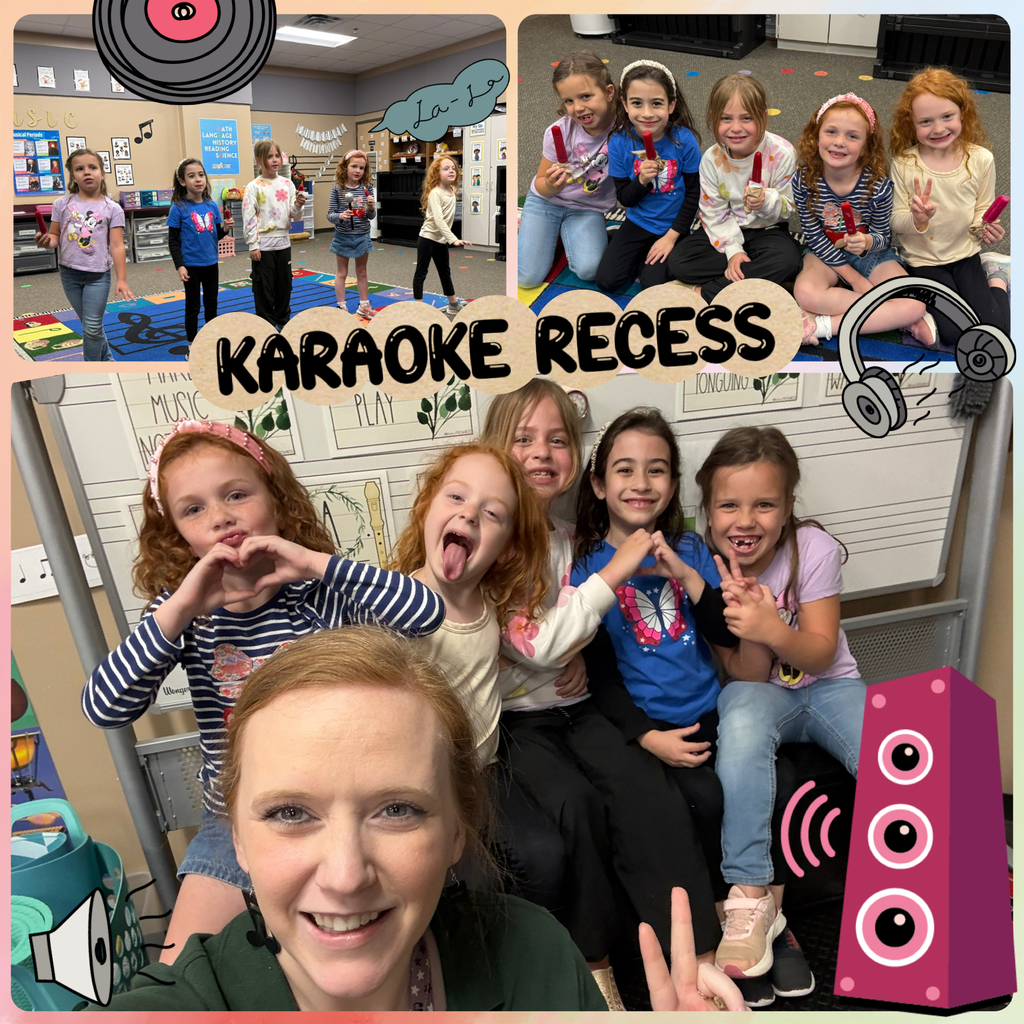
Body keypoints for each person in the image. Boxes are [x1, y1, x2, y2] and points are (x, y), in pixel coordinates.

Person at [94, 628, 747, 1011]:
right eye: (291, 813)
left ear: (458, 827)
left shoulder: (534, 956)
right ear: (235, 835)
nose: (346, 875)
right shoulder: (184, 1004)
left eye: (397, 809)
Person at [82, 419, 444, 964]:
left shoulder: (318, 593)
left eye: (236, 494)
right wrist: (178, 609)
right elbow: (105, 707)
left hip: (340, 807)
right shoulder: (185, 616)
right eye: (193, 509)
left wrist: (316, 564)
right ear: (175, 531)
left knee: (372, 956)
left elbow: (426, 614)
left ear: (275, 500)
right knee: (181, 972)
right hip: (237, 822)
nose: (221, 515)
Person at [481, 381, 733, 1007]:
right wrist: (604, 593)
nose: (542, 452)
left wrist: (578, 665)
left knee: (648, 792)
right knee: (575, 808)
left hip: (577, 709)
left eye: (558, 439)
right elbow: (536, 641)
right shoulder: (498, 539)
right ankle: (595, 972)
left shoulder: (568, 538)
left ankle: (697, 959)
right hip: (519, 721)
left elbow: (585, 645)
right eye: (524, 439)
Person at [572, 408, 808, 1007]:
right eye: (624, 470)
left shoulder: (690, 549)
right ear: (599, 483)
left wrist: (683, 571)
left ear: (674, 485)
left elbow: (724, 636)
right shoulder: (587, 567)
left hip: (713, 709)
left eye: (657, 470)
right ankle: (717, 932)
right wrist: (647, 738)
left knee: (752, 787)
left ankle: (764, 920)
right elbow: (598, 674)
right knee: (691, 804)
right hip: (652, 726)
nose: (641, 483)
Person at [696, 426, 865, 984]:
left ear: (788, 506)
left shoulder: (812, 548)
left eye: (764, 504)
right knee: (738, 715)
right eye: (729, 506)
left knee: (896, 753)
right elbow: (746, 674)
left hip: (830, 685)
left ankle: (949, 873)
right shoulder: (710, 565)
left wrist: (771, 624)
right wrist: (750, 627)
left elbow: (818, 653)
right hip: (765, 692)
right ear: (709, 510)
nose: (745, 521)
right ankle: (750, 898)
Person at [387, 443, 549, 767]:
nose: (469, 513)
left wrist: (567, 663)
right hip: (428, 776)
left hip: (485, 773)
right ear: (425, 511)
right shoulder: (397, 604)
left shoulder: (492, 600)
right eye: (457, 497)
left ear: (506, 548)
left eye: (492, 513)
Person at [791, 93, 934, 346]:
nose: (839, 142)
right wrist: (857, 282)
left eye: (853, 136)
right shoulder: (804, 181)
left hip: (873, 255)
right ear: (816, 135)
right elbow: (813, 235)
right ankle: (893, 317)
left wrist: (867, 242)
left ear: (867, 145)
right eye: (831, 132)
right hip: (824, 253)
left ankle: (822, 325)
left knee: (915, 301)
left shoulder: (878, 188)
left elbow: (883, 238)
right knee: (805, 293)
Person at [889, 68, 1009, 347]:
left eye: (947, 117)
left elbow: (983, 207)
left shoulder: (981, 159)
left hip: (966, 255)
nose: (939, 128)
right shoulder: (904, 164)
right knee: (955, 333)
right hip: (924, 262)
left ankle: (997, 279)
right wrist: (917, 219)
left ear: (963, 114)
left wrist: (986, 227)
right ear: (911, 124)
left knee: (996, 332)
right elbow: (895, 220)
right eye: (926, 121)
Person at [667, 74, 802, 303]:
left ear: (763, 117)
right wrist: (734, 250)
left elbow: (789, 207)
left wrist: (767, 201)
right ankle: (752, 277)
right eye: (726, 119)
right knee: (679, 263)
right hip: (724, 228)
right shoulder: (711, 159)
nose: (736, 128)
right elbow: (713, 212)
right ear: (713, 119)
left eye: (747, 118)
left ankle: (706, 293)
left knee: (788, 261)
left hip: (767, 229)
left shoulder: (782, 153)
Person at [595, 60, 701, 294]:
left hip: (673, 226)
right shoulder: (619, 143)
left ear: (671, 105)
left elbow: (694, 194)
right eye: (636, 103)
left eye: (656, 104)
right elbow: (626, 199)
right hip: (638, 222)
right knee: (607, 281)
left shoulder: (685, 141)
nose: (647, 113)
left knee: (652, 285)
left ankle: (652, 252)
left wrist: (671, 237)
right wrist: (642, 181)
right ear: (624, 104)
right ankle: (621, 239)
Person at [518, 52, 618, 289]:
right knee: (527, 279)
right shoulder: (558, 132)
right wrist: (552, 185)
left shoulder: (625, 129)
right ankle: (536, 228)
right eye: (568, 101)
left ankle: (566, 234)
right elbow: (542, 182)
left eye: (586, 96)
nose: (578, 108)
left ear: (609, 92)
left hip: (587, 207)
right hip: (546, 202)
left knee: (590, 270)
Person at [34, 147, 135, 360]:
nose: (87, 172)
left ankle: (91, 368)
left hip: (98, 276)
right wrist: (46, 241)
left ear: (102, 173)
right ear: (73, 176)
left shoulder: (112, 208)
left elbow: (117, 246)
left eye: (92, 167)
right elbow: (54, 237)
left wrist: (122, 280)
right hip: (69, 274)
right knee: (90, 325)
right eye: (80, 169)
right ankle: (107, 360)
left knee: (91, 327)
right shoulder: (62, 204)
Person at [167, 157, 234, 343]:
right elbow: (172, 241)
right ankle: (191, 343)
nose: (198, 179)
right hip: (191, 266)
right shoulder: (178, 208)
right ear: (182, 182)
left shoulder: (212, 205)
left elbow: (215, 235)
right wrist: (180, 266)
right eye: (191, 176)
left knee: (212, 303)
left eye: (201, 175)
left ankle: (211, 340)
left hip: (211, 263)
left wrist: (225, 230)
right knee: (193, 306)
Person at [242, 139, 307, 329]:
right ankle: (266, 326)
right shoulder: (253, 186)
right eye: (269, 156)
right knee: (264, 288)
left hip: (283, 245)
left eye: (277, 155)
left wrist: (298, 206)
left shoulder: (287, 184)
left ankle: (282, 322)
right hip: (263, 247)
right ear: (258, 160)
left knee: (285, 287)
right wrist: (253, 245)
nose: (274, 160)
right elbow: (249, 217)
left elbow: (295, 217)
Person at [414, 156, 472, 315]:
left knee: (445, 272)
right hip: (427, 238)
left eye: (453, 168)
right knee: (421, 272)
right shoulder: (435, 193)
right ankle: (418, 308)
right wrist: (453, 239)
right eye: (446, 169)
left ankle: (453, 305)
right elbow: (439, 220)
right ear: (436, 174)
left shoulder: (452, 191)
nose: (451, 171)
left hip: (440, 240)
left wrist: (447, 239)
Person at [327, 149, 377, 319]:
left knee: (361, 272)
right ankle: (342, 306)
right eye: (354, 166)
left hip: (362, 235)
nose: (358, 171)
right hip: (343, 236)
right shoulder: (337, 189)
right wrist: (340, 216)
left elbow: (371, 216)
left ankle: (364, 305)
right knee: (342, 272)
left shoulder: (367, 188)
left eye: (362, 168)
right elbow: (330, 215)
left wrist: (371, 207)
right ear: (345, 167)